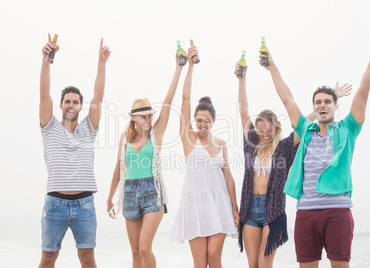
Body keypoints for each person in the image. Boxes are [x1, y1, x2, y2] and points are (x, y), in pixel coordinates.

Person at [265, 28, 370, 267]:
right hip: (306, 213)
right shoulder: (305, 130)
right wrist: (273, 68)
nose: (323, 105)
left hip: (338, 211)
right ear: (315, 107)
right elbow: (287, 99)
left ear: (335, 106)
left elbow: (363, 91)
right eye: (318, 102)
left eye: (327, 101)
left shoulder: (347, 129)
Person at [235, 61, 351, 268]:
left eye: (268, 130)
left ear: (275, 128)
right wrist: (241, 79)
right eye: (260, 130)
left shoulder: (285, 147)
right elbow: (244, 112)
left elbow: (304, 121)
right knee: (253, 264)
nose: (264, 134)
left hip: (273, 210)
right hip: (250, 209)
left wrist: (331, 98)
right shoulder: (251, 146)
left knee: (264, 263)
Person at [106, 52, 184, 268]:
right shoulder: (124, 138)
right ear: (133, 118)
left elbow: (168, 101)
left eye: (150, 115)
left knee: (144, 248)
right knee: (134, 252)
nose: (149, 119)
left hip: (153, 192)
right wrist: (110, 196)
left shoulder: (156, 133)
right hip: (129, 192)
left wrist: (178, 68)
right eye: (144, 116)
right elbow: (118, 169)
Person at [39, 34, 111, 268]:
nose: (71, 105)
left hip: (85, 205)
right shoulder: (49, 128)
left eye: (75, 102)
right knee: (48, 258)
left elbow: (98, 97)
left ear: (80, 105)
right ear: (61, 105)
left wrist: (101, 63)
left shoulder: (88, 130)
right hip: (55, 205)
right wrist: (46, 61)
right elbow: (44, 94)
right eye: (67, 101)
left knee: (88, 258)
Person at [170, 46, 239, 268]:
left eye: (207, 121)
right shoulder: (188, 140)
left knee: (214, 258)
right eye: (199, 120)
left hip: (219, 204)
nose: (202, 124)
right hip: (195, 206)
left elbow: (228, 177)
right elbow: (186, 97)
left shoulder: (221, 144)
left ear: (214, 121)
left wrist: (235, 208)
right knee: (200, 262)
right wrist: (190, 66)